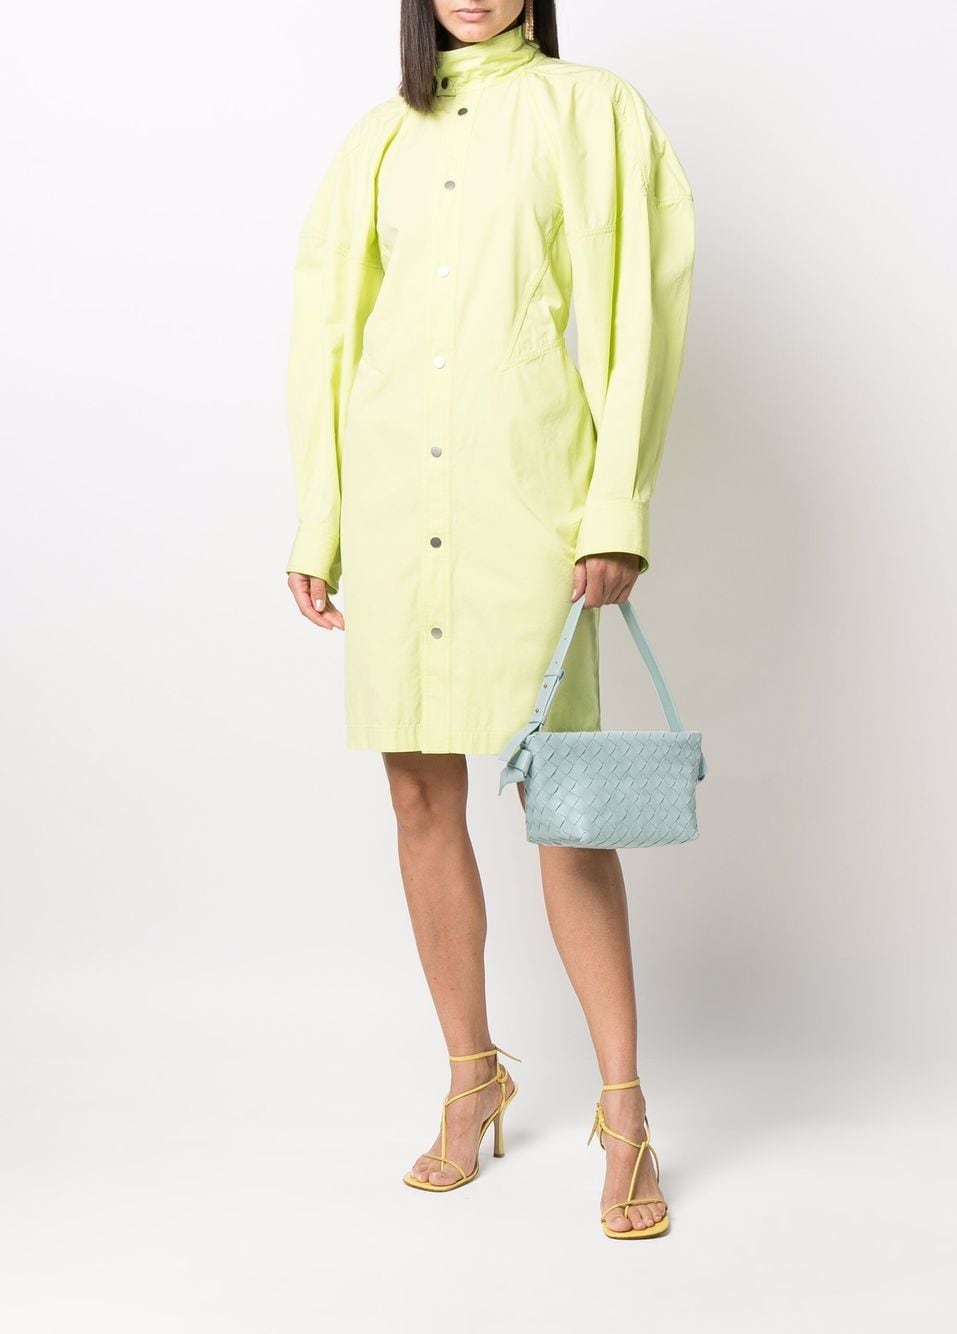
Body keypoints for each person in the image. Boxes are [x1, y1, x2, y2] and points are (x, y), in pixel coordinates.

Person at [284, 0, 695, 1240]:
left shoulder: (594, 111)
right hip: (394, 503)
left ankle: (624, 1111)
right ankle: (473, 1076)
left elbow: (636, 313)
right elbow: (328, 333)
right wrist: (320, 520)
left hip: (528, 501)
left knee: (563, 807)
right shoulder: (376, 137)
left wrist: (613, 508)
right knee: (418, 795)